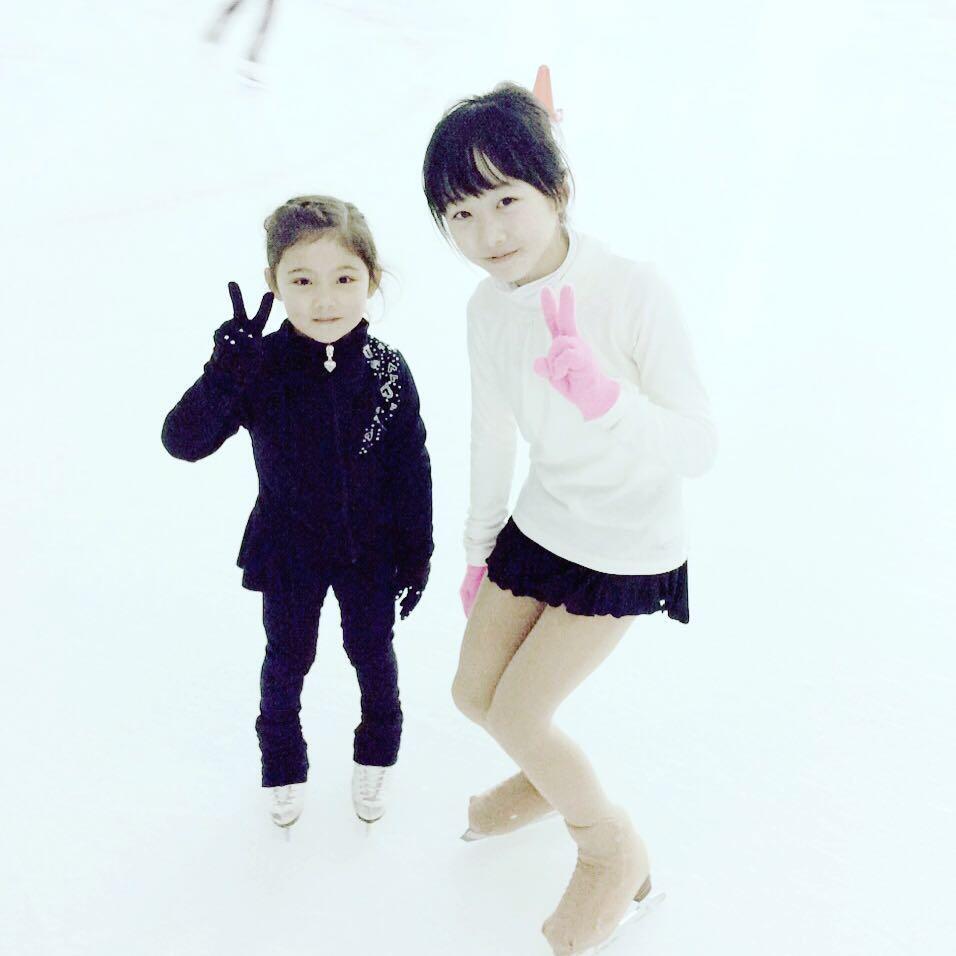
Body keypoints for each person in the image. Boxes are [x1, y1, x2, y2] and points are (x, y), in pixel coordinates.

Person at [422, 83, 717, 955]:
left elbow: (698, 446)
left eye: (506, 200)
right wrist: (478, 551)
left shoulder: (629, 290)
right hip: (540, 524)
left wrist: (604, 399)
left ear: (557, 187)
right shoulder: (487, 308)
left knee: (519, 715)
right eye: (462, 213)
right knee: (473, 694)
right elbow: (489, 433)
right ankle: (551, 783)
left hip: (625, 546)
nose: (488, 233)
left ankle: (611, 851)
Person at [161, 195, 433, 829]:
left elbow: (411, 467)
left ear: (371, 278)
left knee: (372, 652)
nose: (325, 299)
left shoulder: (387, 370)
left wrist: (417, 551)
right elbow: (183, 441)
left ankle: (377, 753)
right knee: (288, 657)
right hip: (288, 548)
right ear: (274, 282)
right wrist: (223, 375)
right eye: (303, 281)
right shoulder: (257, 368)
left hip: (370, 551)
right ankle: (282, 763)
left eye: (344, 278)